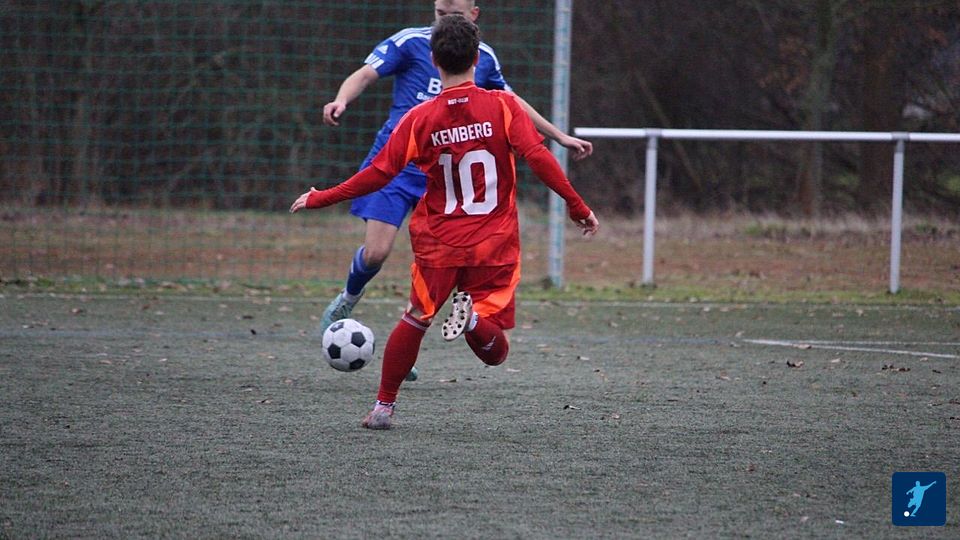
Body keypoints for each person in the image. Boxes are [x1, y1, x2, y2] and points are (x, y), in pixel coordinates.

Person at [291, 13, 599, 430]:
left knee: (416, 317)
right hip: (494, 243)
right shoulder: (505, 106)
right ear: (477, 59)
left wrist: (321, 197)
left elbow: (378, 174)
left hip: (439, 241)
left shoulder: (418, 118)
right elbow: (538, 158)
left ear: (434, 61)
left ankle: (383, 408)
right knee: (496, 353)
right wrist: (577, 207)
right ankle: (471, 320)